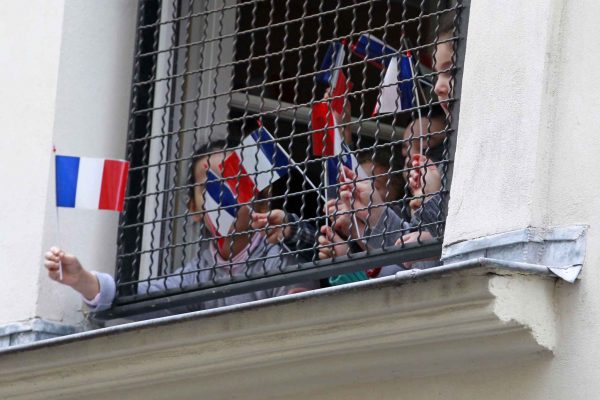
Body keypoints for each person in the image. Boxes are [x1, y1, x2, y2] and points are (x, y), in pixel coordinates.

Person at [44, 143, 317, 315]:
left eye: (233, 183)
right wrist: (82, 280)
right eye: (208, 187)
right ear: (194, 208)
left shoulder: (282, 256)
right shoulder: (198, 271)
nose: (220, 197)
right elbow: (144, 298)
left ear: (261, 200)